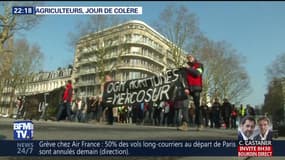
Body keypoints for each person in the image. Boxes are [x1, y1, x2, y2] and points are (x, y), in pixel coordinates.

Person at [183, 53, 204, 131]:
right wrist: (185, 87)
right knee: (184, 105)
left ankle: (200, 124)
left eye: (190, 57)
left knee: (197, 106)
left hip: (196, 88)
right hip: (187, 88)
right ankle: (185, 124)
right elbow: (184, 78)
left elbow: (197, 74)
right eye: (188, 57)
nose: (189, 58)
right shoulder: (185, 68)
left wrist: (189, 68)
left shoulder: (199, 65)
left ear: (194, 57)